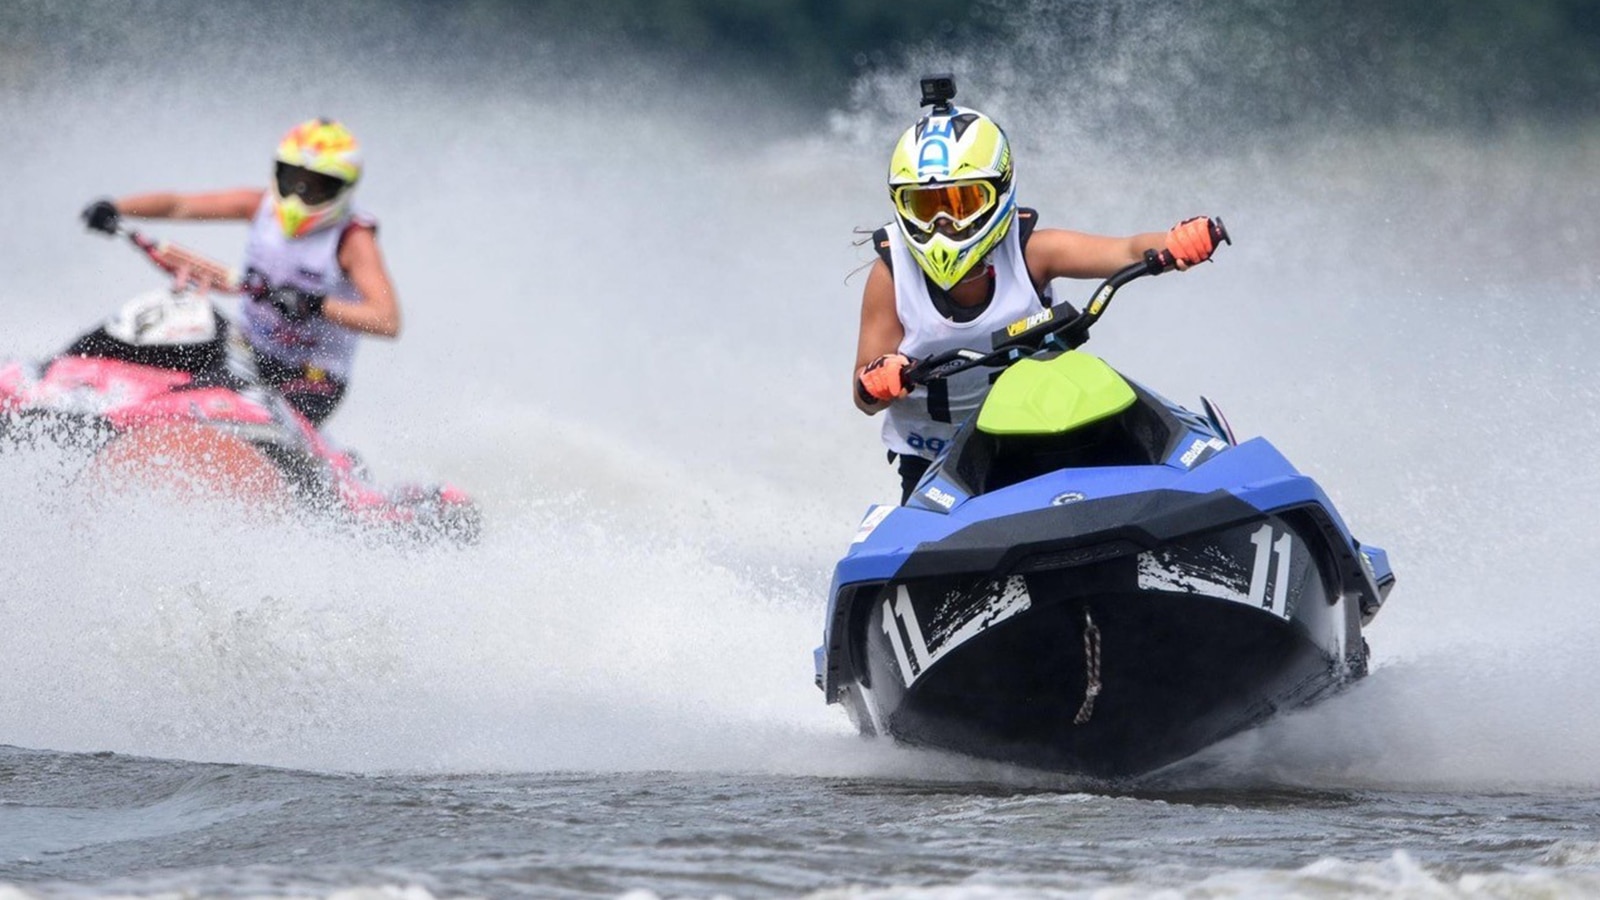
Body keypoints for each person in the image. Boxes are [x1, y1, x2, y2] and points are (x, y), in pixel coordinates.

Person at [853, 81, 1224, 502]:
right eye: (925, 206)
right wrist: (878, 379)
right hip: (941, 470)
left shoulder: (1032, 252)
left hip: (1042, 440)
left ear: (998, 192)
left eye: (960, 204)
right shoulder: (891, 275)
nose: (944, 224)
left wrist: (1176, 242)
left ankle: (1197, 462)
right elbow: (863, 395)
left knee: (1096, 382)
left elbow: (1124, 250)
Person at [80, 117, 399, 427]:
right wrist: (117, 208)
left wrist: (314, 304)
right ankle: (54, 374)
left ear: (342, 189)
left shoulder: (353, 239)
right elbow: (180, 205)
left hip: (311, 379)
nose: (298, 195)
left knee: (220, 390)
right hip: (244, 352)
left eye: (315, 187)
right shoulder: (259, 205)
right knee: (163, 315)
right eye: (292, 180)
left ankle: (177, 416)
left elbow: (386, 320)